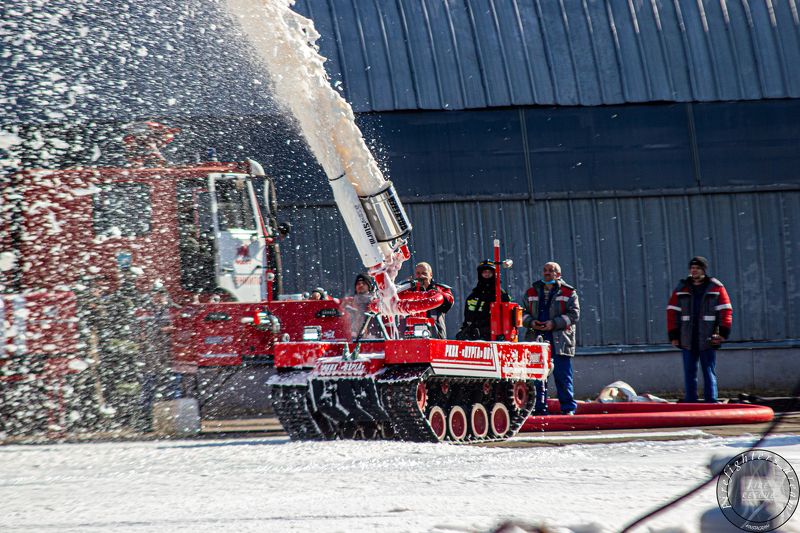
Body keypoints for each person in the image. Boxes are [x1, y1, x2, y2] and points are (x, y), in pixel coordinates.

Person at [667, 256, 733, 403]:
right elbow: (672, 312)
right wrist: (674, 335)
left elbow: (725, 311)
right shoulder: (681, 288)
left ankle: (711, 401)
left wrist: (722, 333)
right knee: (689, 372)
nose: (693, 270)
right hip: (687, 338)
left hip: (708, 338)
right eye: (692, 268)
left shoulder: (716, 287)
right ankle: (691, 401)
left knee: (708, 371)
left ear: (703, 270)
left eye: (697, 268)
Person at [522, 262, 580, 415]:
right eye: (545, 270)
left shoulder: (568, 293)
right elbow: (522, 313)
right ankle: (538, 409)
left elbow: (574, 315)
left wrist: (553, 324)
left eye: (551, 271)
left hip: (559, 340)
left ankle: (568, 409)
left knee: (562, 376)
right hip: (536, 339)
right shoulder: (532, 291)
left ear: (558, 274)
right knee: (537, 377)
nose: (547, 273)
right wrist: (531, 322)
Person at [456, 261, 510, 341]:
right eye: (484, 272)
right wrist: (465, 330)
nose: (487, 274)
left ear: (494, 274)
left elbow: (506, 317)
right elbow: (468, 317)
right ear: (480, 274)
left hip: (493, 337)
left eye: (489, 272)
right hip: (474, 337)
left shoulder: (500, 294)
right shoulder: (473, 296)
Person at [401, 262, 454, 339]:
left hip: (436, 336)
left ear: (430, 275)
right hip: (411, 337)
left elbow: (449, 303)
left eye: (424, 273)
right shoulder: (408, 290)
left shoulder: (440, 288)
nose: (421, 276)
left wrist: (432, 290)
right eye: (418, 273)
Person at [343, 273, 382, 339]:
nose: (360, 285)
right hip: (353, 340)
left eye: (364, 283)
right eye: (358, 283)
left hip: (374, 340)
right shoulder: (349, 302)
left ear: (369, 286)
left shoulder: (376, 302)